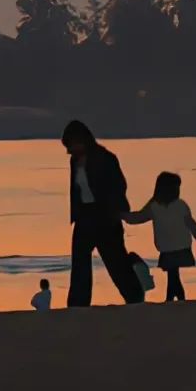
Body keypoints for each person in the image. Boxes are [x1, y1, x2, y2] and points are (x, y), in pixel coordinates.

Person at [62, 120, 145, 308]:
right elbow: (75, 190)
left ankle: (134, 296)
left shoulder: (105, 158)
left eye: (71, 145)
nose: (69, 151)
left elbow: (119, 186)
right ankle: (78, 303)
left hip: (106, 216)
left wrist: (117, 212)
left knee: (115, 260)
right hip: (84, 216)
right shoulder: (75, 161)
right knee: (80, 261)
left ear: (82, 140)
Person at [125, 172, 196, 302]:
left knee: (173, 274)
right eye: (175, 188)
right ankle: (175, 299)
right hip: (173, 247)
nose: (177, 191)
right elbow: (137, 218)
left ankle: (173, 299)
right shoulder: (161, 206)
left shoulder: (169, 205)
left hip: (173, 247)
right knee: (173, 274)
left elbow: (192, 225)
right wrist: (123, 216)